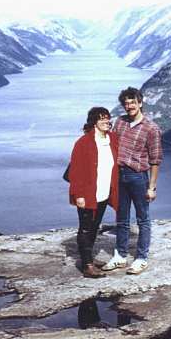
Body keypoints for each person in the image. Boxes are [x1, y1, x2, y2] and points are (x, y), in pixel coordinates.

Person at [103, 87, 163, 275]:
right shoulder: (119, 123)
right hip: (119, 175)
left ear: (140, 103)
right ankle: (120, 256)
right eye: (126, 103)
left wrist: (152, 187)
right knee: (121, 218)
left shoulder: (151, 128)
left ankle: (141, 258)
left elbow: (155, 160)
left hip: (138, 177)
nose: (129, 106)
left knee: (143, 219)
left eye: (132, 102)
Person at [69, 107, 119, 278]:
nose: (107, 121)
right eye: (102, 119)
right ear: (94, 122)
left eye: (108, 118)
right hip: (88, 194)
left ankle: (87, 259)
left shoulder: (112, 139)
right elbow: (75, 172)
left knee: (94, 227)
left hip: (104, 193)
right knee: (85, 229)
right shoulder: (83, 143)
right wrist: (79, 195)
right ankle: (87, 266)